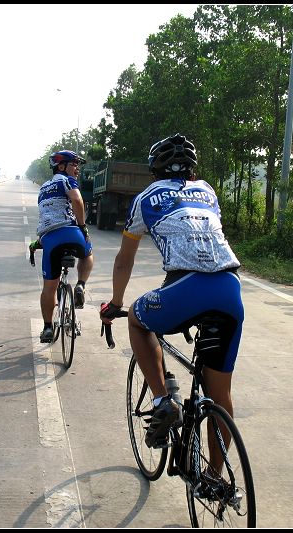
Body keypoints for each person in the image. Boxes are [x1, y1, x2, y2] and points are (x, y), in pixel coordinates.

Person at [100, 134, 244, 470]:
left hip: (187, 286)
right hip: (230, 289)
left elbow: (124, 260)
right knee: (219, 394)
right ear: (193, 170)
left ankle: (164, 400)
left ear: (154, 171)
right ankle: (213, 477)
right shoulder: (207, 191)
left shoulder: (145, 198)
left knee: (138, 320)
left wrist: (115, 302)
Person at [36, 149, 94, 343]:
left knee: (49, 288)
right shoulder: (66, 180)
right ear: (61, 167)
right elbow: (77, 200)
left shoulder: (43, 188)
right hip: (71, 233)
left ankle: (47, 328)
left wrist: (39, 242)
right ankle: (80, 285)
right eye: (74, 164)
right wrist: (83, 226)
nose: (77, 169)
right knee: (87, 254)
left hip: (50, 240)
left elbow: (46, 218)